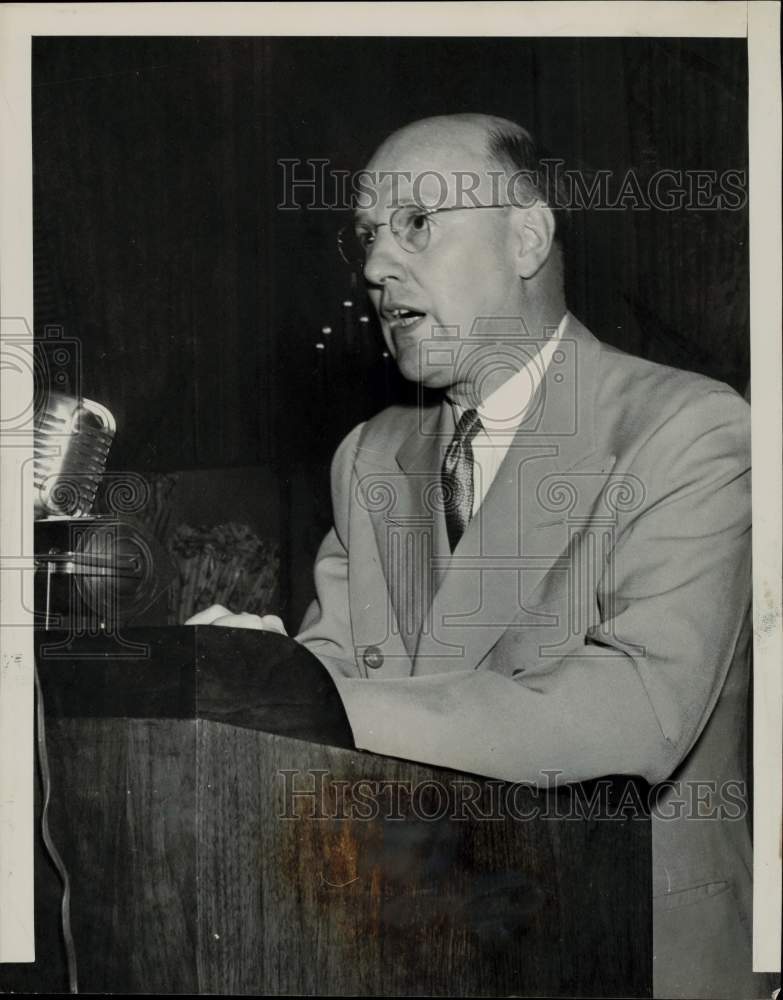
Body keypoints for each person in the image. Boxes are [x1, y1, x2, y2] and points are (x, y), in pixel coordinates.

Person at [188, 114, 773, 999]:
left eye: (417, 223)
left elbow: (636, 709)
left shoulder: (688, 427)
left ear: (527, 236)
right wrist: (255, 670)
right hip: (424, 944)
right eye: (367, 237)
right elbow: (339, 662)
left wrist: (306, 699)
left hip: (630, 952)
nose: (379, 267)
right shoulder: (370, 455)